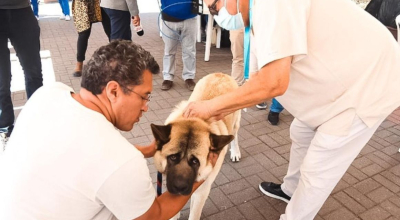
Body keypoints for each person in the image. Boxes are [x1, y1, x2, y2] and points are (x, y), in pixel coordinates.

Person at [185, 0, 400, 219]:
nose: (217, 15)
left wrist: (212, 105)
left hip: (365, 86)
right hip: (337, 83)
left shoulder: (271, 5)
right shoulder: (257, 15)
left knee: (319, 169)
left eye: (215, 6)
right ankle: (290, 190)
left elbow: (273, 82)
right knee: (300, 131)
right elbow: (261, 79)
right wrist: (227, 106)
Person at [0, 40, 219, 219]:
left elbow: (80, 151)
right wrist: (203, 170)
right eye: (144, 96)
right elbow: (156, 215)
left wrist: (144, 151)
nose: (146, 107)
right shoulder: (121, 161)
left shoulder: (49, 93)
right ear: (113, 91)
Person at [0, 0, 43, 150]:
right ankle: (6, 130)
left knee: (34, 74)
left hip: (22, 12)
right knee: (1, 83)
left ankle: (36, 124)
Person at [159, 0, 197, 91]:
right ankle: (168, 77)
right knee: (169, 51)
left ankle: (189, 77)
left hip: (189, 17)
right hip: (169, 17)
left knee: (189, 51)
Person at [71, 0, 111, 77]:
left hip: (100, 2)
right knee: (83, 34)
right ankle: (79, 63)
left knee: (110, 31)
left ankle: (116, 61)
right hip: (82, 4)